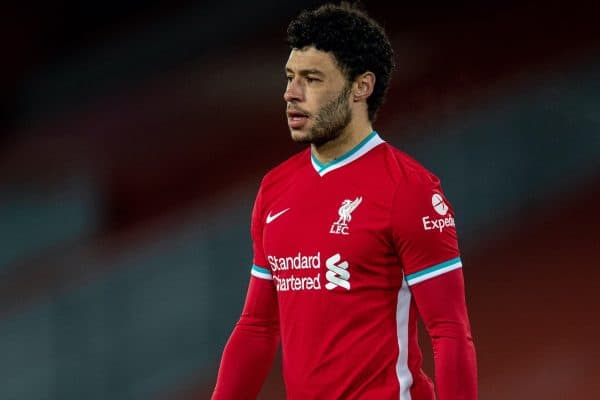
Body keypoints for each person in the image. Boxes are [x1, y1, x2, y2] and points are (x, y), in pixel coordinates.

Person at [212, 2, 477, 399]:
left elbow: (450, 332)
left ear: (361, 87)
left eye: (312, 79)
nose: (290, 93)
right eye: (290, 77)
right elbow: (257, 326)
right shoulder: (274, 189)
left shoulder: (409, 190)